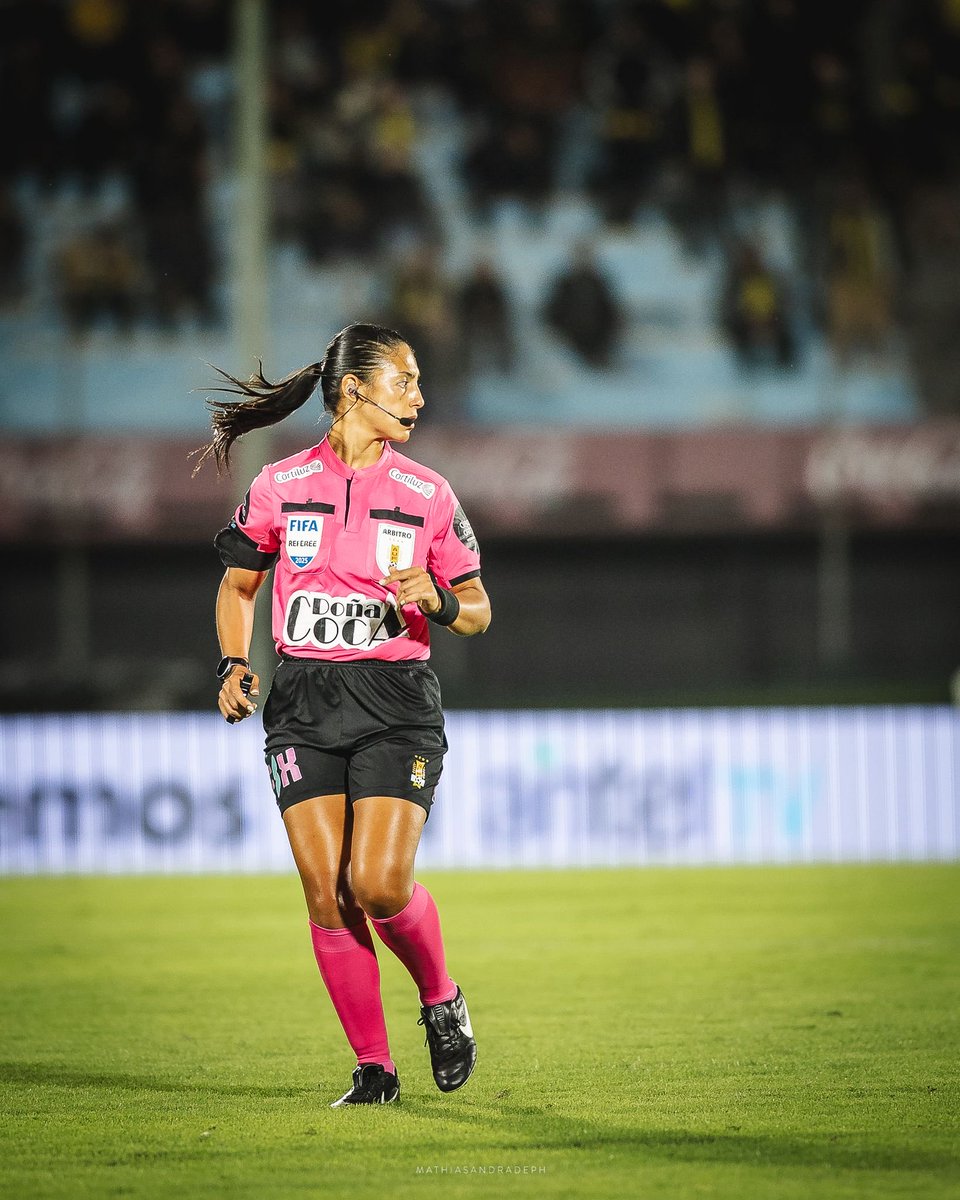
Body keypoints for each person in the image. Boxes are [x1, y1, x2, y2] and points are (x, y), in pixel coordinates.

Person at [201, 323, 492, 1107]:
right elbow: (238, 586)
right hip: (302, 702)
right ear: (354, 389)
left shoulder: (429, 493)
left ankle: (441, 997)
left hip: (395, 705)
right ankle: (374, 1070)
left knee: (377, 883)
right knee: (326, 893)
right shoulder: (279, 483)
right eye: (406, 382)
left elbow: (477, 609)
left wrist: (437, 597)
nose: (420, 398)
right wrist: (234, 663)